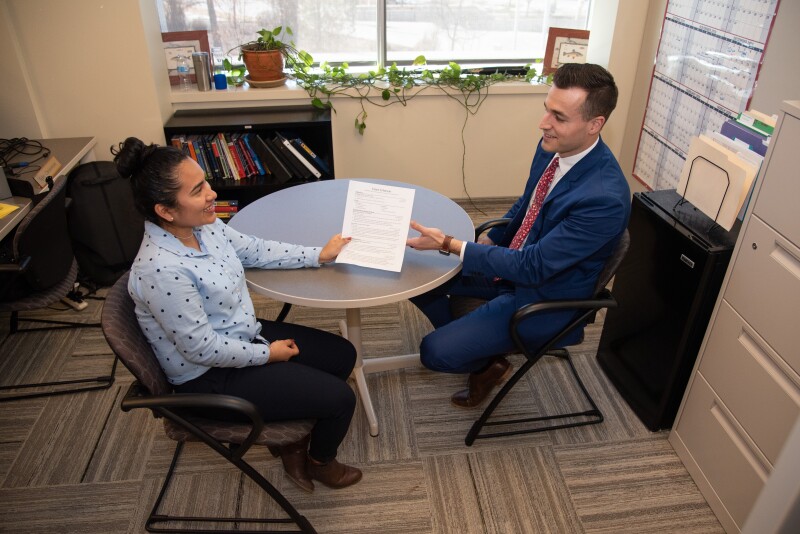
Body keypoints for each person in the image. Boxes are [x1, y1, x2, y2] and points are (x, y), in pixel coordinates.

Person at [113, 137, 362, 493]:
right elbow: (202, 349)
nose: (212, 194)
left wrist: (317, 255)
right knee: (341, 399)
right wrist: (268, 355)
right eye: (198, 190)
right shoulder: (161, 269)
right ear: (165, 211)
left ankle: (292, 441)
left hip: (240, 335)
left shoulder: (203, 226)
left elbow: (254, 250)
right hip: (209, 376)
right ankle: (321, 462)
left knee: (343, 355)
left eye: (205, 182)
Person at [406, 63, 631, 408]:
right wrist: (495, 237)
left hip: (541, 295)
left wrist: (451, 244)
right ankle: (482, 350)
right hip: (511, 263)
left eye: (558, 116)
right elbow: (528, 203)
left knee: (434, 353)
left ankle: (482, 359)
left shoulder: (604, 198)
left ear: (594, 124)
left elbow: (532, 267)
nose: (544, 123)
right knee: (415, 270)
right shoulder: (553, 148)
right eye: (547, 109)